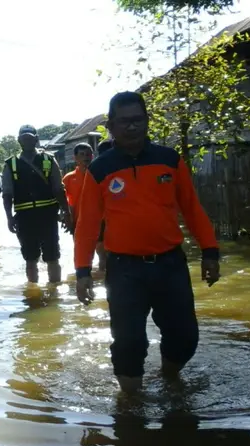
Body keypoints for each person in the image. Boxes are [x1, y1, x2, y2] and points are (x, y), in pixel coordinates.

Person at [74, 91, 221, 394]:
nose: (132, 127)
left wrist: (210, 251)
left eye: (138, 120)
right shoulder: (100, 169)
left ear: (147, 122)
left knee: (185, 336)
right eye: (124, 122)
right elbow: (87, 225)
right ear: (111, 127)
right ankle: (130, 407)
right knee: (128, 342)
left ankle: (169, 379)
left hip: (170, 264)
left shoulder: (169, 160)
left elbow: (192, 209)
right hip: (125, 270)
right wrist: (83, 272)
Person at [2, 124, 73, 284]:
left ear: (36, 140)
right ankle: (33, 294)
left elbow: (58, 189)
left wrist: (67, 213)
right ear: (19, 141)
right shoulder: (10, 164)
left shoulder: (48, 159)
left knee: (52, 256)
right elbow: (7, 194)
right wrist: (8, 217)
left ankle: (54, 293)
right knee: (30, 258)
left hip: (48, 216)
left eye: (30, 138)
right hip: (24, 218)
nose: (27, 141)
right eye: (24, 138)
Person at [63, 143, 107, 271]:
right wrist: (66, 217)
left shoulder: (99, 175)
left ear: (93, 156)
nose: (86, 157)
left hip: (100, 220)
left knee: (102, 253)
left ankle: (103, 280)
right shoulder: (69, 178)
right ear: (75, 158)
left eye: (88, 154)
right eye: (81, 154)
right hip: (78, 221)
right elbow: (64, 201)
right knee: (82, 255)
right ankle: (85, 282)